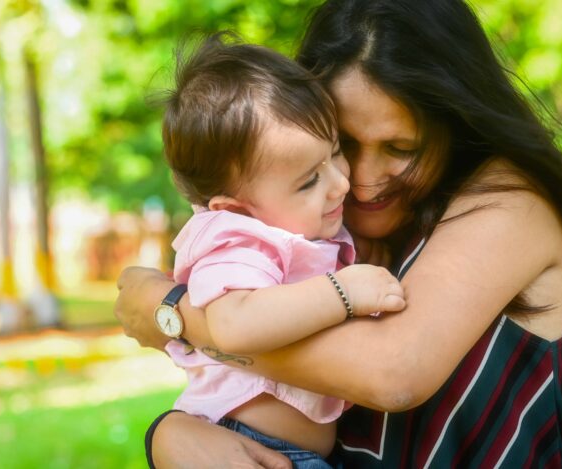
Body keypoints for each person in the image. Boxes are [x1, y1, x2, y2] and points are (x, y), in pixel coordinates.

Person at [114, 0, 562, 467]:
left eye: (401, 147)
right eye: (345, 144)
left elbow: (394, 372)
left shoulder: (510, 200)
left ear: (455, 122)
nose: (361, 179)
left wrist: (172, 312)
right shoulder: (322, 228)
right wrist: (170, 434)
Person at [152, 32, 406, 468]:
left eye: (335, 152)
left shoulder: (294, 226)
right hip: (245, 444)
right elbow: (233, 324)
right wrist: (343, 292)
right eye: (309, 181)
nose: (341, 182)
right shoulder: (236, 239)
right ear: (235, 209)